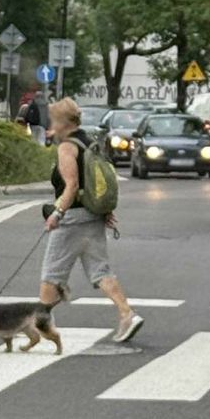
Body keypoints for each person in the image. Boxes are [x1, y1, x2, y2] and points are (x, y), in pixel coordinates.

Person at [40, 97, 143, 343]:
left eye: (54, 120)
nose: (51, 124)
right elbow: (94, 181)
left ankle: (41, 328)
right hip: (92, 216)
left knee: (51, 275)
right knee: (100, 271)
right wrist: (103, 211)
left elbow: (72, 185)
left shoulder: (67, 146)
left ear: (63, 122)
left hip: (72, 218)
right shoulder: (88, 141)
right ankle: (127, 314)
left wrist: (56, 214)